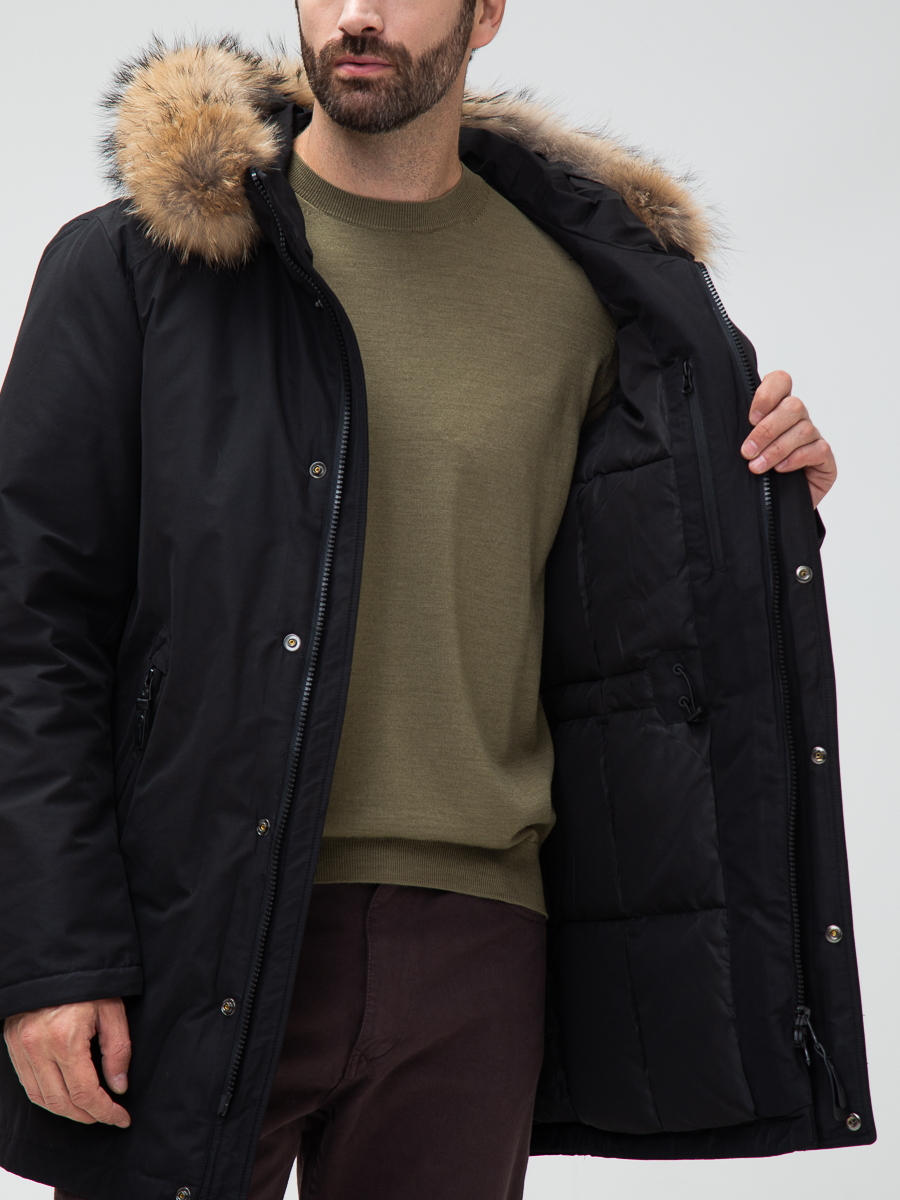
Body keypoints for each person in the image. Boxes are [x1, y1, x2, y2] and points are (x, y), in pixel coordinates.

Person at [0, 2, 874, 1199]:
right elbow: (32, 628)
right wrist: (51, 954)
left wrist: (766, 501)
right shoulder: (139, 265)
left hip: (477, 940)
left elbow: (642, 617)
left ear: (487, 11)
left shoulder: (593, 292)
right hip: (193, 917)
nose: (359, 14)